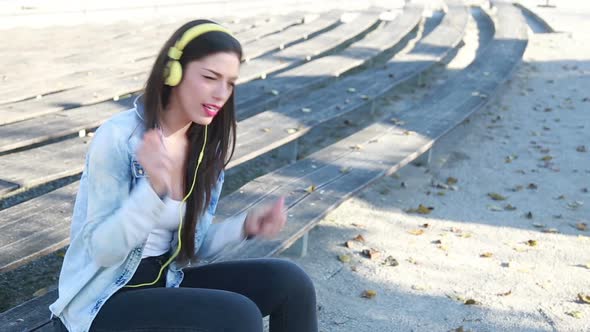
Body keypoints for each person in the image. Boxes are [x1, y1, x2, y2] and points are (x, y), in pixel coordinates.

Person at [49, 19, 318, 332]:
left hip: (166, 285)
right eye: (209, 77)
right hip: (101, 303)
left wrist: (245, 226)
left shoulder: (206, 145)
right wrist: (153, 190)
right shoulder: (120, 137)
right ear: (172, 73)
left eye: (230, 83)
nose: (221, 93)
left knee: (290, 282)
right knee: (238, 315)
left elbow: (193, 247)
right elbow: (104, 250)